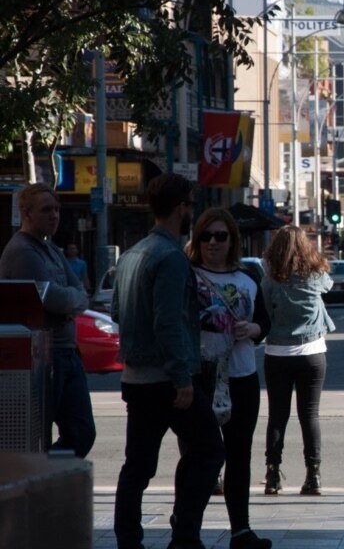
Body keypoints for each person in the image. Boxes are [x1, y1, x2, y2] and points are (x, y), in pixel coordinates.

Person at [112, 174, 225, 549]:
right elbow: (168, 321)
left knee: (138, 466)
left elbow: (117, 311)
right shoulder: (170, 257)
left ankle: (129, 539)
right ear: (182, 208)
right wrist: (182, 378)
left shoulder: (131, 255)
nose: (192, 212)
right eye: (191, 205)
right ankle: (186, 534)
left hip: (136, 377)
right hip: (166, 378)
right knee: (210, 449)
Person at [186, 208, 273, 549]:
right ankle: (187, 528)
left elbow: (264, 322)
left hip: (241, 375)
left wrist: (253, 329)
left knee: (239, 453)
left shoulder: (248, 276)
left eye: (220, 236)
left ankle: (241, 530)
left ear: (232, 240)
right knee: (199, 454)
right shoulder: (188, 275)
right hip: (202, 377)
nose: (212, 242)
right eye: (206, 235)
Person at [0, 184, 95, 457]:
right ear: (26, 213)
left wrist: (68, 302)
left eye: (57, 210)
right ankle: (37, 482)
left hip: (66, 352)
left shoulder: (50, 248)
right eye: (46, 210)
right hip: (43, 354)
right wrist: (68, 302)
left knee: (81, 433)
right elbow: (52, 299)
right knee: (39, 433)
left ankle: (45, 479)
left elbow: (79, 294)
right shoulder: (22, 251)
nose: (54, 216)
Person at [261, 226, 335, 496]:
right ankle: (313, 474)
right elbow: (329, 284)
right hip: (312, 353)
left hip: (277, 354)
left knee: (277, 416)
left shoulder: (269, 279)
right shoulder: (315, 276)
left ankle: (272, 474)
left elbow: (265, 313)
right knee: (309, 415)